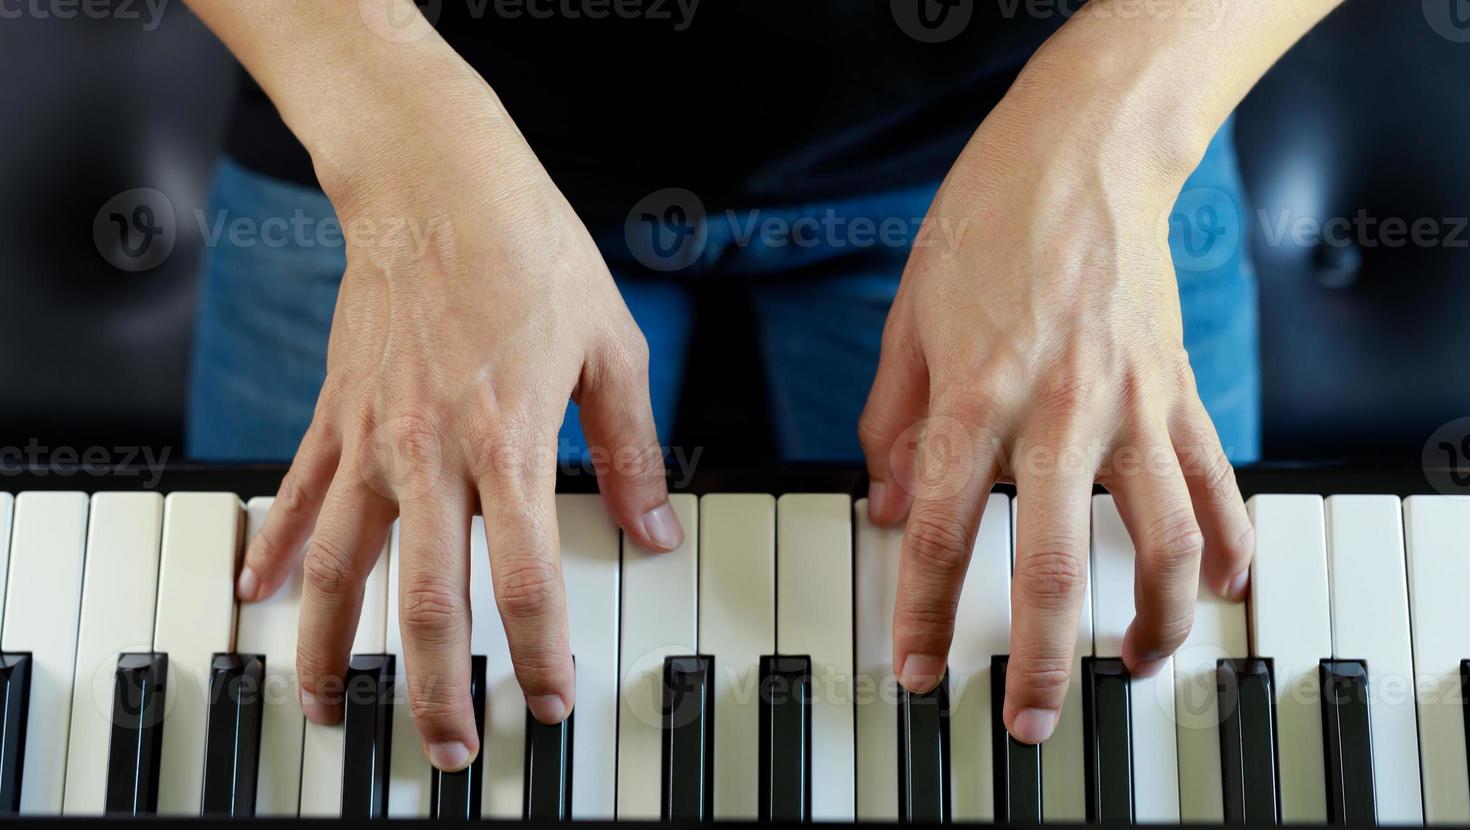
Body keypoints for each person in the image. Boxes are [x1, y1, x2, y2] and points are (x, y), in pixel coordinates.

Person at [182, 0, 1345, 773]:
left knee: (1117, 749)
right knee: (317, 742)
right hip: (399, 119)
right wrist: (388, 126)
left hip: (1044, 140)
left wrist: (1123, 121)